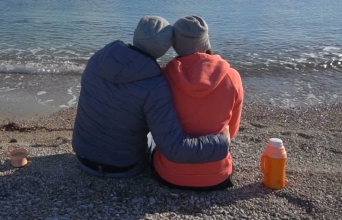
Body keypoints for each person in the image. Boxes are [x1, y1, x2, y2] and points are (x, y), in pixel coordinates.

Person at [72, 15, 231, 178]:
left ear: (135, 33)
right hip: (123, 167)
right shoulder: (156, 84)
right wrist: (222, 143)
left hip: (83, 158)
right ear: (166, 48)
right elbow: (175, 149)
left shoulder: (98, 59)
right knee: (155, 135)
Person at [152, 15, 244, 190]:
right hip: (217, 175)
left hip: (169, 173)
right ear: (205, 42)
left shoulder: (163, 77)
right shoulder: (232, 77)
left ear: (175, 44)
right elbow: (231, 132)